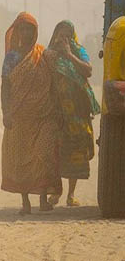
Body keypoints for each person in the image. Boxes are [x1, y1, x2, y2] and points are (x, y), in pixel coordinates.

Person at [0, 12, 62, 214]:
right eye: (22, 29)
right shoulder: (12, 57)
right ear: (17, 32)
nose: (26, 33)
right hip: (19, 116)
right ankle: (25, 202)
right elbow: (5, 86)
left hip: (44, 115)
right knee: (21, 159)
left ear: (35, 32)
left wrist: (58, 109)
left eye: (29, 29)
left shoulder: (43, 55)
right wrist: (5, 112)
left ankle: (43, 199)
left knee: (43, 155)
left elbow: (54, 83)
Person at [46, 20, 100, 207]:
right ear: (55, 35)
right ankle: (56, 193)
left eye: (68, 35)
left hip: (77, 113)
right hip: (57, 111)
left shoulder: (78, 51)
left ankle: (71, 194)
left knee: (76, 152)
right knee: (56, 153)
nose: (64, 38)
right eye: (61, 34)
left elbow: (88, 70)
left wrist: (69, 55)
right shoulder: (49, 55)